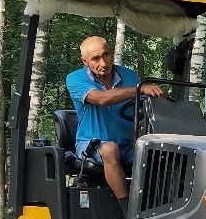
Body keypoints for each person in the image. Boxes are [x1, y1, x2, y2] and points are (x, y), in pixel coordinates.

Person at [66, 35, 163, 202]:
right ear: (84, 61)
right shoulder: (75, 79)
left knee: (162, 152)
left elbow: (145, 105)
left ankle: (159, 205)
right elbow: (101, 99)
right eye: (95, 58)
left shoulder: (130, 76)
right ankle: (127, 211)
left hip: (128, 144)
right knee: (110, 149)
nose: (103, 63)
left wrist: (157, 96)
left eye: (106, 55)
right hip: (91, 144)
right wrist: (139, 90)